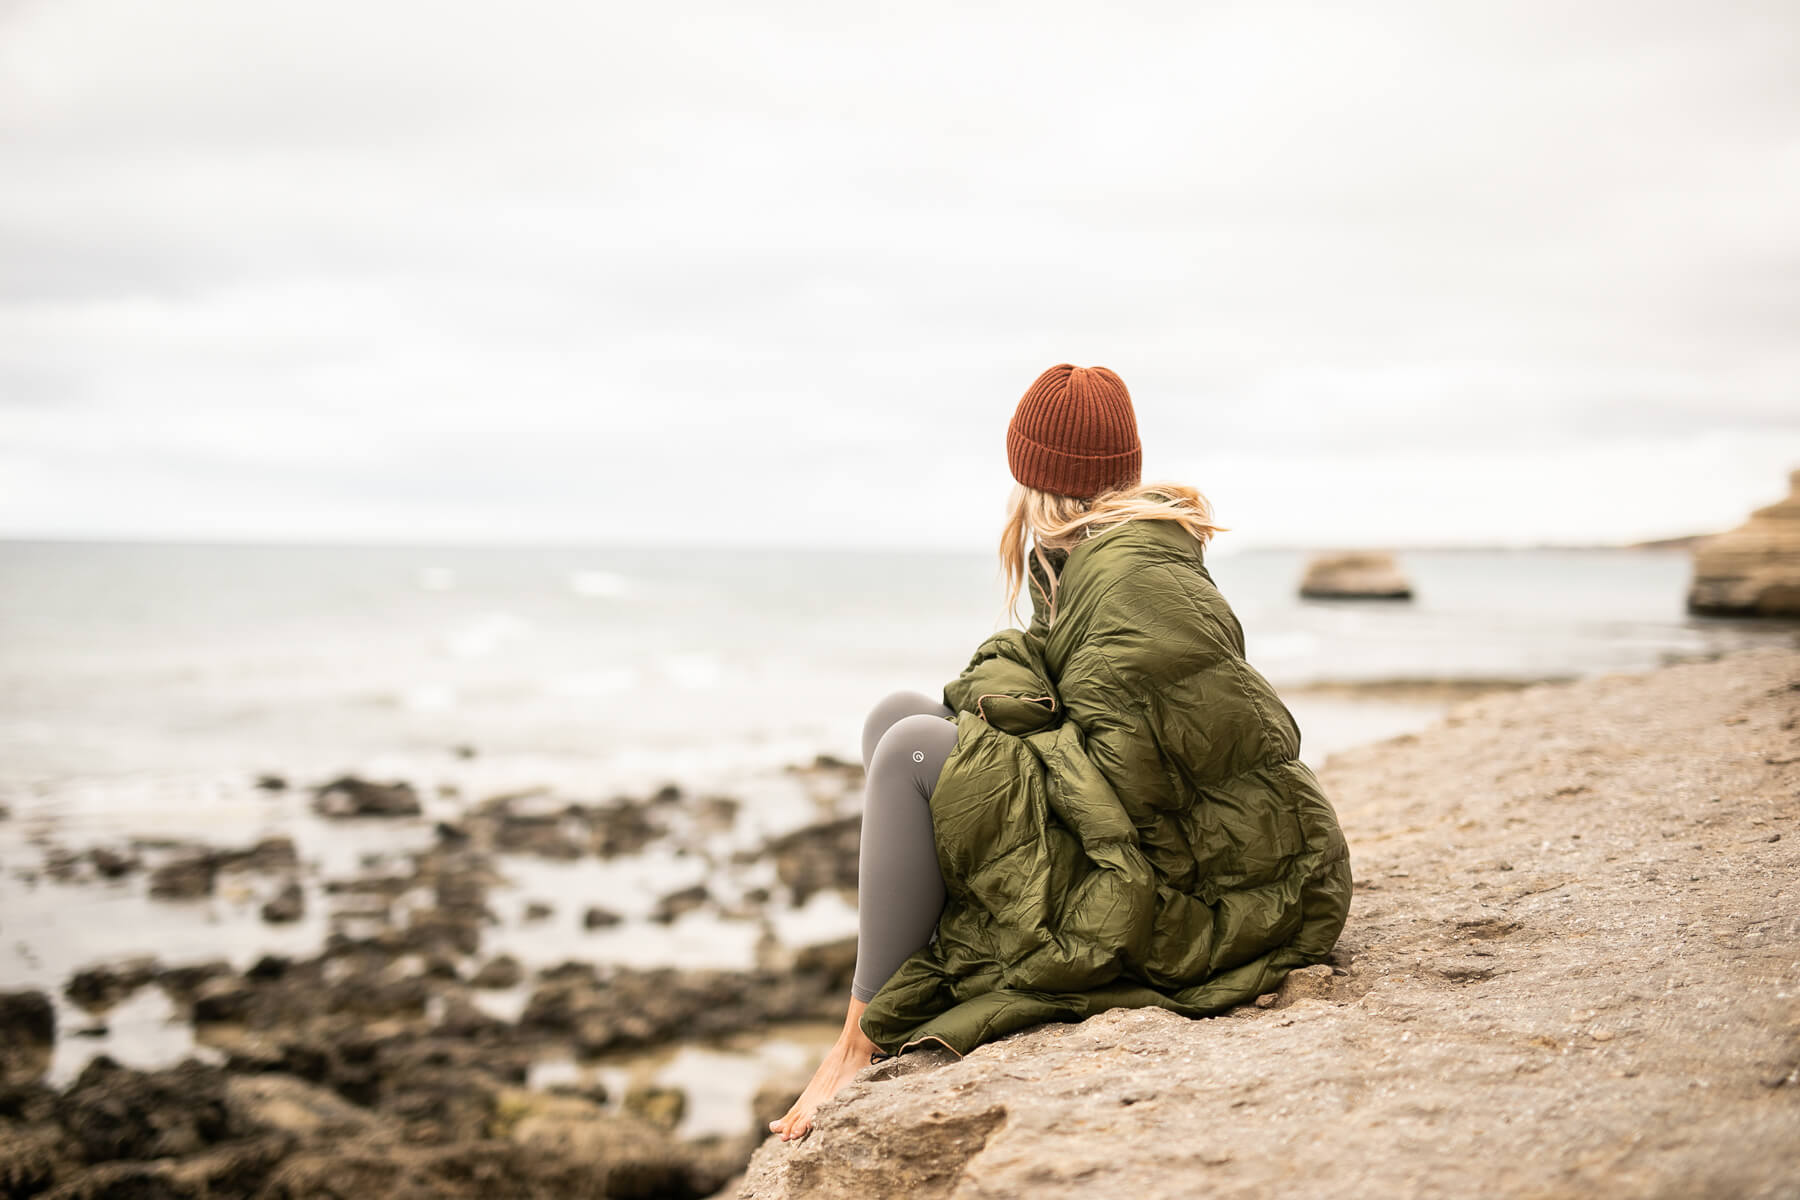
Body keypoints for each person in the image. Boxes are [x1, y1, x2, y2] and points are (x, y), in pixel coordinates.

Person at [768, 363, 1352, 1142]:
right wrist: (1013, 687)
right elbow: (1090, 719)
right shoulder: (1098, 558)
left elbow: (1137, 791)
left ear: (1042, 477)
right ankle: (889, 995)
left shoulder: (1129, 577)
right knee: (898, 717)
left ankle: (857, 1042)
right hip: (1177, 845)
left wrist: (1013, 708)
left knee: (914, 750)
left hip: (1207, 887)